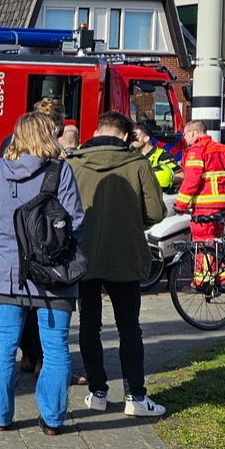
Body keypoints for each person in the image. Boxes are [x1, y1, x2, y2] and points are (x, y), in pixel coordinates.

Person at [0, 112, 84, 434]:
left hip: (7, 273)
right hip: (54, 274)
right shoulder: (60, 171)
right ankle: (52, 419)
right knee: (56, 348)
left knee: (4, 345)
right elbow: (76, 220)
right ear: (48, 136)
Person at [67, 112, 168, 418]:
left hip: (83, 255)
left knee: (89, 326)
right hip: (125, 254)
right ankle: (135, 396)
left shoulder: (73, 163)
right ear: (126, 136)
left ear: (97, 130)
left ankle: (97, 392)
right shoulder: (138, 164)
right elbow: (156, 212)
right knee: (129, 328)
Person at [176, 119, 225, 284]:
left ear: (193, 133)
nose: (184, 138)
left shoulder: (197, 151)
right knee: (218, 243)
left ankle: (202, 281)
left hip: (206, 206)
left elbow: (191, 180)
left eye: (185, 135)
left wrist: (180, 205)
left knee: (202, 243)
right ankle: (223, 277)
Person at [133, 124, 177, 191]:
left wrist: (163, 180)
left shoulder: (162, 155)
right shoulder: (132, 154)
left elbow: (180, 175)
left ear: (146, 138)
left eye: (135, 136)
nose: (132, 139)